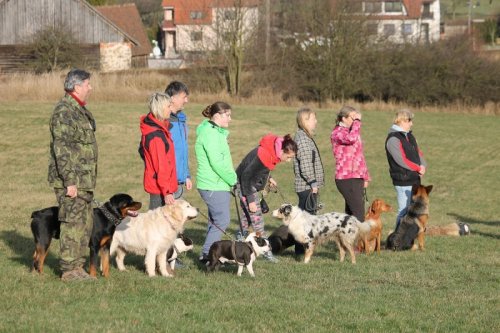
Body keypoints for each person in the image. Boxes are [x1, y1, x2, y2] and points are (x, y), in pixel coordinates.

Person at [48, 69, 97, 281]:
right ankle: (69, 270)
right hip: (72, 180)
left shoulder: (79, 110)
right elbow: (62, 148)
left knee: (84, 224)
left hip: (84, 180)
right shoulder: (64, 112)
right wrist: (69, 181)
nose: (90, 88)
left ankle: (78, 267)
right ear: (77, 87)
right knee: (72, 223)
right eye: (87, 84)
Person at [236, 133, 298, 262]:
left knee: (247, 218)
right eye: (288, 157)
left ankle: (238, 243)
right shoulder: (264, 154)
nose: (288, 160)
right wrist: (250, 200)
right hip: (245, 185)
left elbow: (259, 170)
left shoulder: (272, 152)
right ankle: (266, 252)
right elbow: (246, 176)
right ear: (281, 150)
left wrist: (269, 179)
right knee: (257, 220)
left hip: (248, 185)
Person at [195, 102, 237, 263]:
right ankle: (207, 255)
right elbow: (217, 163)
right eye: (227, 115)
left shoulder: (216, 132)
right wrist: (233, 180)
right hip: (213, 184)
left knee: (215, 221)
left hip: (218, 183)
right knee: (222, 220)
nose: (230, 119)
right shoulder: (210, 134)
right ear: (217, 115)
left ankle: (208, 254)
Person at [385, 109, 426, 229]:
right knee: (403, 212)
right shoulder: (393, 139)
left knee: (414, 211)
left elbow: (418, 153)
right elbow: (401, 160)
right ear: (401, 121)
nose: (411, 123)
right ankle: (396, 240)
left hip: (414, 178)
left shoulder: (410, 136)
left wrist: (423, 166)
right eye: (409, 121)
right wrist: (418, 168)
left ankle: (408, 237)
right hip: (403, 180)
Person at [293, 107, 325, 255]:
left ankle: (302, 249)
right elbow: (305, 163)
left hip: (308, 186)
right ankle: (303, 250)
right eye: (313, 118)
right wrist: (313, 182)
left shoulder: (305, 137)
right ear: (305, 120)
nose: (316, 121)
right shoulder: (303, 139)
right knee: (307, 220)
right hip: (307, 186)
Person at [330, 106, 371, 222]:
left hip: (357, 177)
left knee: (351, 215)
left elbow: (359, 155)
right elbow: (351, 139)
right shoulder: (337, 133)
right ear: (344, 118)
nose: (355, 121)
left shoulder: (352, 131)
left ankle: (347, 239)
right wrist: (358, 121)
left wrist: (365, 176)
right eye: (353, 118)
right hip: (346, 178)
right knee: (359, 215)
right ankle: (357, 240)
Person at [140, 92, 178, 209]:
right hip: (160, 189)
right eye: (168, 106)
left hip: (163, 186)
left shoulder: (160, 130)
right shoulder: (156, 136)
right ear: (160, 108)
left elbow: (141, 151)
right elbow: (161, 166)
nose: (171, 110)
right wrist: (166, 191)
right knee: (157, 225)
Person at [165, 81, 192, 199]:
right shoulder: (163, 122)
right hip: (166, 184)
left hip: (179, 182)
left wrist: (186, 175)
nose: (186, 100)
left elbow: (182, 151)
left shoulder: (181, 120)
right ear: (172, 99)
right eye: (184, 97)